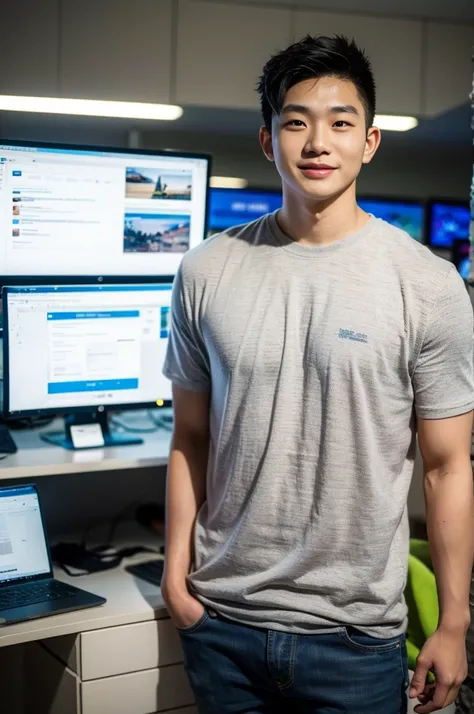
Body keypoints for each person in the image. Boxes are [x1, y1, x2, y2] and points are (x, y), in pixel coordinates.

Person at [162, 34, 474, 714]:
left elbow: (448, 467)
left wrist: (453, 623)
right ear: (269, 141)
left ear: (370, 141)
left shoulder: (429, 285)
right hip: (222, 624)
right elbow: (190, 437)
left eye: (341, 122)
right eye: (296, 121)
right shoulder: (205, 272)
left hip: (355, 639)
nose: (317, 142)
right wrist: (175, 581)